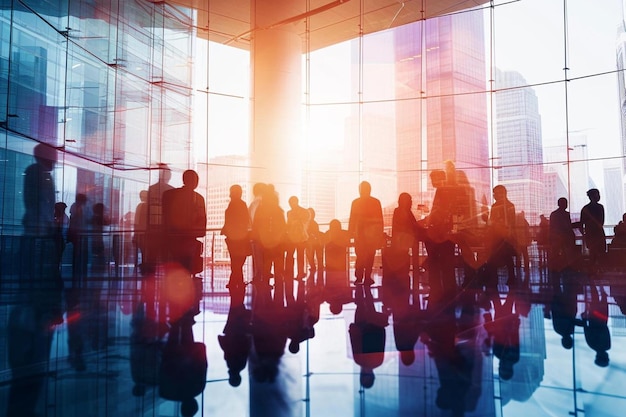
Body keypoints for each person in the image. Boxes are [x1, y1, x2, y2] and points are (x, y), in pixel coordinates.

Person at [8, 143, 63, 417]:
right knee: (35, 277)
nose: (55, 160)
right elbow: (38, 207)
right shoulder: (37, 173)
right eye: (53, 156)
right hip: (36, 235)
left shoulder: (40, 174)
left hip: (37, 234)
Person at [348, 181, 384, 286]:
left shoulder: (356, 202)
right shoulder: (375, 202)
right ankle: (367, 277)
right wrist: (379, 234)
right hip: (372, 235)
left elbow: (352, 219)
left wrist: (350, 233)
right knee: (369, 257)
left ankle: (359, 277)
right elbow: (379, 220)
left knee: (360, 256)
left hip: (359, 235)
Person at [484, 185, 517, 289]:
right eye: (495, 193)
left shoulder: (498, 206)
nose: (495, 195)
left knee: (499, 257)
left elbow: (509, 221)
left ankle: (495, 279)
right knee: (506, 258)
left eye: (496, 193)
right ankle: (510, 277)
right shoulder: (509, 205)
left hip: (500, 236)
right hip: (502, 235)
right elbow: (512, 222)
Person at [143, 163, 173, 275]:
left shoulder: (152, 189)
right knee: (166, 259)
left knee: (152, 258)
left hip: (153, 228)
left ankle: (149, 282)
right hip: (166, 230)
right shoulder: (171, 191)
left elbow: (148, 211)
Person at [221, 184, 251, 290]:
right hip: (240, 237)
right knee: (238, 261)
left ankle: (235, 281)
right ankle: (237, 281)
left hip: (233, 238)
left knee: (235, 260)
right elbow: (246, 220)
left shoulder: (232, 204)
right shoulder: (241, 204)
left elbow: (229, 221)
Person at [549, 198, 579, 285]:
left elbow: (552, 227)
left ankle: (556, 271)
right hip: (564, 238)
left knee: (557, 255)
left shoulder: (554, 214)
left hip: (558, 238)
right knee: (565, 255)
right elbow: (567, 227)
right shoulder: (565, 214)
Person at [285, 195, 310, 281]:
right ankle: (289, 273)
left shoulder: (304, 212)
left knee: (299, 256)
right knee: (291, 256)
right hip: (292, 237)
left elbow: (304, 223)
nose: (291, 205)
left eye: (292, 203)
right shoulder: (290, 213)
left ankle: (299, 273)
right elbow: (288, 225)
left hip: (300, 237)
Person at [579, 188, 606, 267]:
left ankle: (592, 271)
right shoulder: (600, 207)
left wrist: (584, 234)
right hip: (599, 233)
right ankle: (598, 270)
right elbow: (601, 222)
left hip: (590, 234)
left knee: (593, 254)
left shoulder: (585, 209)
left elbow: (581, 224)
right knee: (600, 253)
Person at [305, 207, 324, 281]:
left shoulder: (309, 223)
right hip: (315, 242)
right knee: (315, 255)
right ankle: (318, 267)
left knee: (310, 254)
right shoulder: (314, 223)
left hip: (312, 242)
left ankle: (313, 267)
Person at [133, 190, 148, 267]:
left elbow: (137, 221)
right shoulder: (149, 206)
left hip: (141, 232)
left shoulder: (140, 206)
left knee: (142, 249)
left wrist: (135, 233)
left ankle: (143, 263)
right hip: (148, 232)